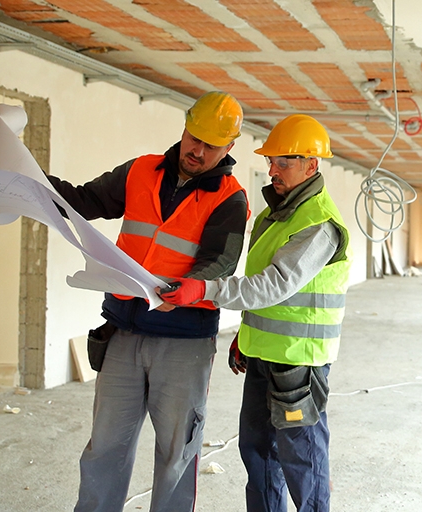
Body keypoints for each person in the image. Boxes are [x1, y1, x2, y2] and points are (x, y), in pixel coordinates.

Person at [47, 91, 250, 512]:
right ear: (185, 128)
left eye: (211, 145)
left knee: (177, 452)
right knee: (104, 446)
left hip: (183, 342)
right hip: (122, 331)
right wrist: (34, 183)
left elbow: (220, 262)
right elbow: (84, 200)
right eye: (194, 137)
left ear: (229, 147)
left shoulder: (230, 197)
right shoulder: (140, 170)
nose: (197, 150)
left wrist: (189, 288)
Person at [159, 114, 350, 512]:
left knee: (303, 461)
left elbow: (273, 285)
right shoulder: (273, 214)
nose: (273, 169)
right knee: (257, 452)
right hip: (264, 355)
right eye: (271, 161)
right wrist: (246, 338)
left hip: (299, 363)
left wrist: (205, 290)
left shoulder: (319, 224)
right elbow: (263, 289)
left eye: (284, 162)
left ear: (311, 165)